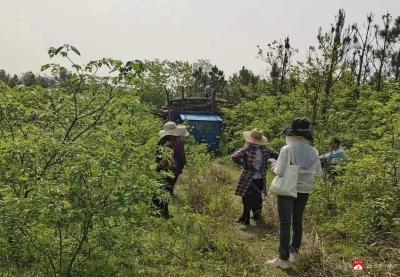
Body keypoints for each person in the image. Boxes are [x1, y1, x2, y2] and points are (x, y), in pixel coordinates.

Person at [266, 118, 322, 269]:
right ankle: (294, 254)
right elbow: (318, 173)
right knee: (297, 221)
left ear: (292, 133)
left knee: (285, 223)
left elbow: (279, 171)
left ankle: (283, 260)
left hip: (287, 190)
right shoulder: (314, 151)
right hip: (304, 190)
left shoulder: (287, 149)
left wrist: (273, 165)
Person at [232, 128, 279, 226]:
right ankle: (257, 216)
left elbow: (234, 156)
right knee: (258, 197)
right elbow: (278, 156)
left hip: (248, 177)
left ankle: (246, 218)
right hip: (261, 177)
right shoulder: (266, 149)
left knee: (246, 197)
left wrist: (244, 164)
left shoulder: (247, 148)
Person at [154, 121, 189, 218]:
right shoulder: (168, 144)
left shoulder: (169, 142)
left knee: (163, 191)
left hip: (166, 171)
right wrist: (170, 172)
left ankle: (160, 212)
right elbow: (165, 161)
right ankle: (161, 213)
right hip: (166, 172)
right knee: (165, 191)